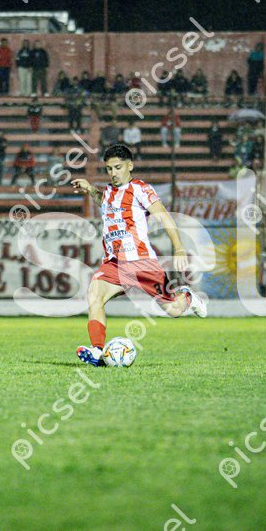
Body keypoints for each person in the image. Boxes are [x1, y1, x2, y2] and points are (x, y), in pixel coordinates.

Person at [71, 143, 207, 366]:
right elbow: (102, 199)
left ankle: (187, 297)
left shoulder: (140, 189)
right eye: (109, 169)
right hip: (114, 262)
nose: (113, 173)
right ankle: (97, 351)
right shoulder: (108, 193)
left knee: (173, 309)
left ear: (130, 166)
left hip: (141, 262)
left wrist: (179, 248)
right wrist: (89, 189)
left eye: (118, 167)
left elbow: (163, 216)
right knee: (95, 295)